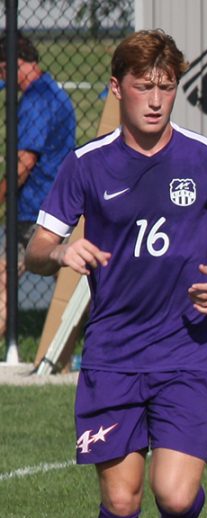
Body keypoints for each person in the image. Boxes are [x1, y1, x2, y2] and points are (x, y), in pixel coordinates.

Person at [25, 29, 207, 518]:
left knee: (173, 494)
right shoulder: (87, 164)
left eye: (167, 86)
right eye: (143, 86)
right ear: (117, 87)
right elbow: (36, 249)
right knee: (120, 498)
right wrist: (63, 248)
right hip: (112, 356)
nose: (156, 99)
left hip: (185, 349)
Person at [0, 33, 76, 338]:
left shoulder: (36, 101)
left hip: (35, 209)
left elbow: (24, 163)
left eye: (2, 69)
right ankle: (64, 346)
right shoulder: (53, 92)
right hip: (58, 204)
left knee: (4, 277)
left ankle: (57, 346)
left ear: (13, 63)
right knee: (65, 276)